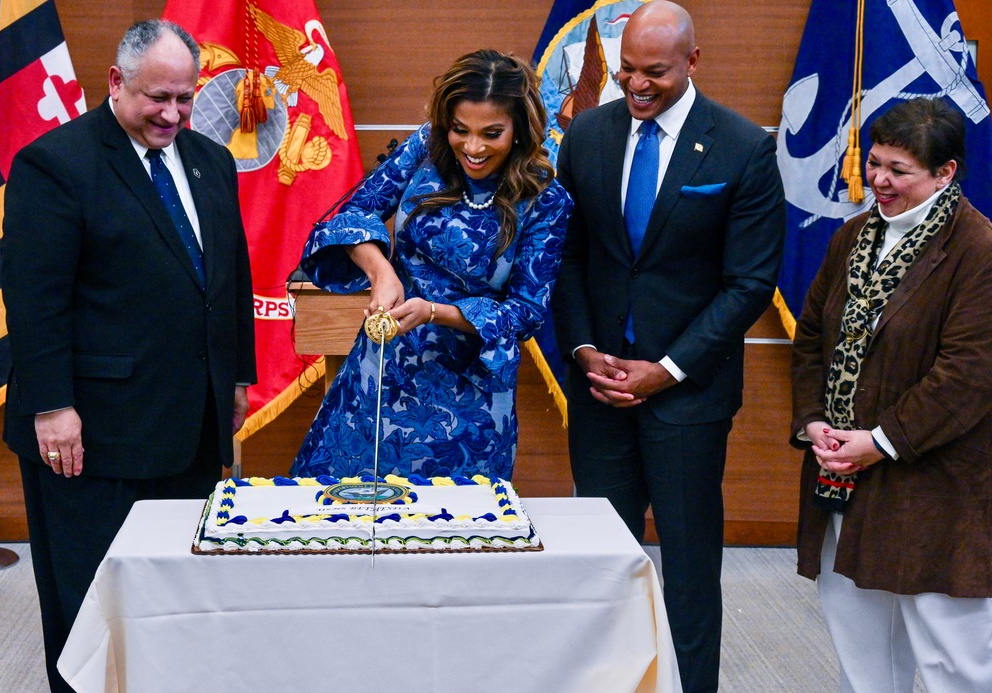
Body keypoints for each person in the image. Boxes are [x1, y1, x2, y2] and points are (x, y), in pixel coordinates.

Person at [1, 20, 256, 692]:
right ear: (117, 83)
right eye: (157, 98)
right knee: (91, 601)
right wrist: (54, 406)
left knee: (177, 591)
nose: (173, 113)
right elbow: (35, 300)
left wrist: (236, 375)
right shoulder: (54, 164)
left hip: (191, 424)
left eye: (184, 97)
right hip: (91, 433)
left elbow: (229, 274)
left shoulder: (211, 159)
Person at [551, 2, 786, 691]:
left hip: (689, 396)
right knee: (603, 561)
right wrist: (584, 348)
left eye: (653, 71)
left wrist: (668, 368)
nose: (636, 84)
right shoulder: (587, 134)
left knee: (686, 570)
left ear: (693, 61)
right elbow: (567, 258)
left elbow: (747, 284)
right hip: (599, 392)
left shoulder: (742, 147)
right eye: (626, 69)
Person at [291, 50, 572, 481]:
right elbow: (346, 218)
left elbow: (526, 311)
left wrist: (433, 312)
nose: (473, 148)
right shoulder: (426, 147)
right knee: (339, 514)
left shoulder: (546, 200)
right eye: (461, 130)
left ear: (520, 130)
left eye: (491, 133)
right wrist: (381, 272)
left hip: (469, 401)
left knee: (451, 533)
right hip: (381, 376)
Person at [791, 97, 992, 691]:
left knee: (949, 657)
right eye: (874, 162)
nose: (877, 179)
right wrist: (813, 422)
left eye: (898, 170)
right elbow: (810, 339)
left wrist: (879, 440)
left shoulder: (978, 250)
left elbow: (969, 374)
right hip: (842, 476)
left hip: (936, 489)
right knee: (862, 647)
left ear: (945, 174)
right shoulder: (854, 234)